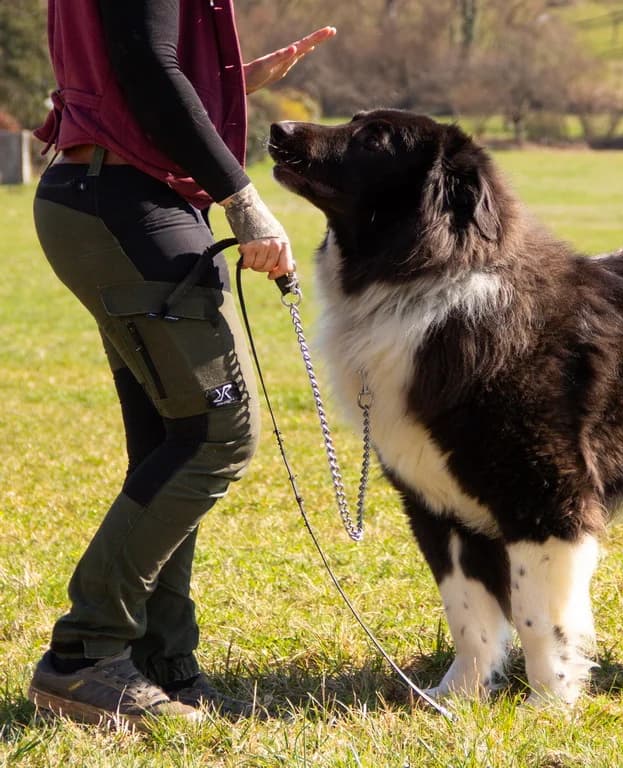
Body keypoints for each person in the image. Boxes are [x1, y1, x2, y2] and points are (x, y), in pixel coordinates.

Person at [26, 0, 336, 727]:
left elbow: (127, 67)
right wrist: (244, 199)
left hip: (105, 197)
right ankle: (83, 656)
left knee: (172, 440)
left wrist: (226, 85)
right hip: (125, 203)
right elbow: (145, 69)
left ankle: (158, 661)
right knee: (214, 432)